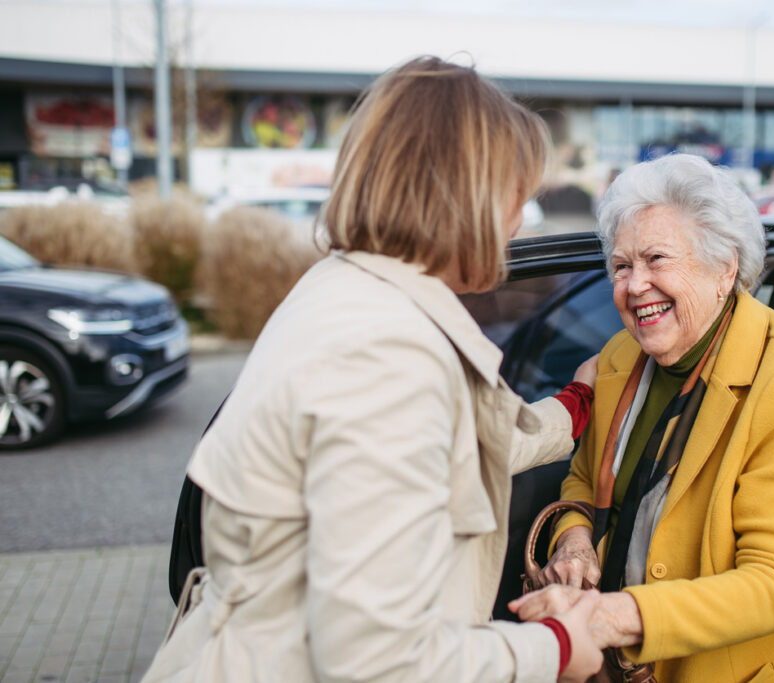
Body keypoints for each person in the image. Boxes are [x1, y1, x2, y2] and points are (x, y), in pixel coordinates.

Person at [142, 56, 605, 683]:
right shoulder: (387, 355)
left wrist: (576, 404)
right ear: (463, 196)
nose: (519, 222)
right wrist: (555, 647)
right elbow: (375, 660)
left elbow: (454, 445)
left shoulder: (343, 290)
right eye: (514, 198)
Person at [510, 153, 774, 682]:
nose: (634, 285)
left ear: (724, 269)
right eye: (622, 266)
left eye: (656, 259)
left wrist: (614, 616)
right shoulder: (620, 357)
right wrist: (574, 539)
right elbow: (584, 478)